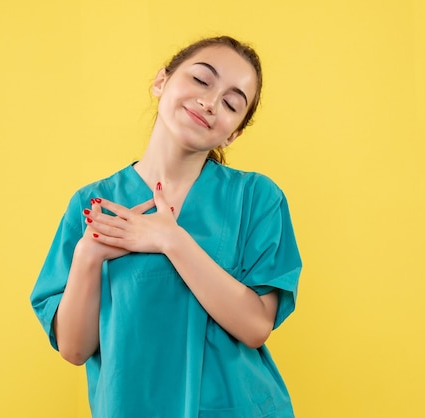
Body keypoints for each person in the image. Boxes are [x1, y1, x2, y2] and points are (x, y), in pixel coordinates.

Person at [30, 35, 302, 418]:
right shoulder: (92, 204)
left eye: (230, 103)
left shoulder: (256, 198)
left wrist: (171, 239)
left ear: (233, 133)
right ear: (162, 82)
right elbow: (74, 349)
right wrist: (89, 254)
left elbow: (256, 325)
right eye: (201, 80)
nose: (209, 102)